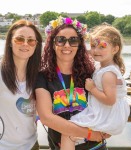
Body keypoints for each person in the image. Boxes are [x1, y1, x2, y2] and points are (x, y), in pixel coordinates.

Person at [35, 16, 109, 150]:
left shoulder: (92, 73)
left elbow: (108, 104)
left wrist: (110, 127)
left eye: (73, 40)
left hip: (95, 147)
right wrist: (90, 134)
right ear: (52, 43)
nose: (67, 45)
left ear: (80, 44)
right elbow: (46, 117)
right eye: (61, 40)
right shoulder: (42, 77)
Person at [60, 25, 130, 150]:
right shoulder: (103, 66)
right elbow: (89, 53)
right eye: (93, 46)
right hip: (104, 112)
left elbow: (110, 100)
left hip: (106, 114)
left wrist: (92, 89)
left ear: (115, 49)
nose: (96, 51)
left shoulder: (108, 74)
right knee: (72, 133)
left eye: (102, 46)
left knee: (67, 131)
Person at [0, 19, 42, 150]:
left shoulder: (39, 75)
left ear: (36, 45)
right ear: (10, 43)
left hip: (31, 145)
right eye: (19, 39)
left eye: (31, 40)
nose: (25, 44)